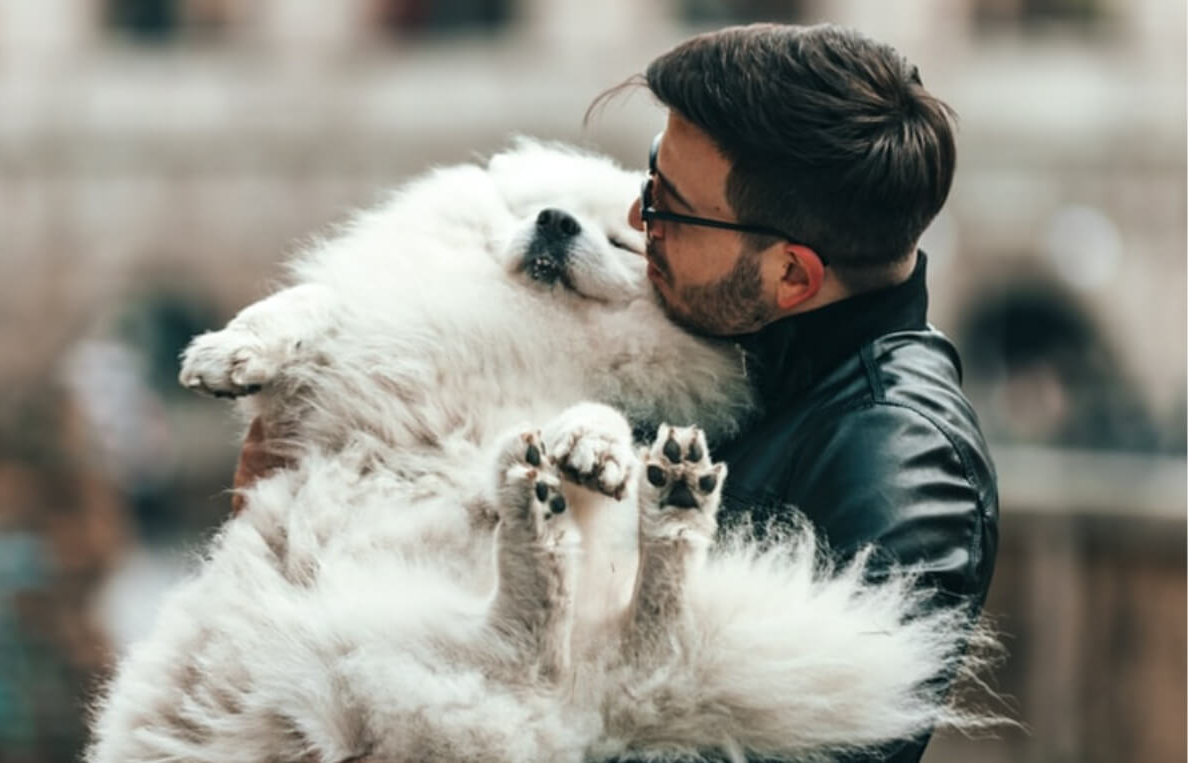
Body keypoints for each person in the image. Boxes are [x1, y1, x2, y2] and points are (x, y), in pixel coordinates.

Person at [235, 22, 998, 762]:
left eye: (673, 207)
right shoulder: (728, 349)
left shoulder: (896, 454)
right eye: (649, 175)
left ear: (791, 274)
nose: (639, 218)